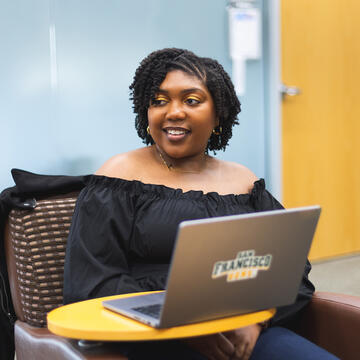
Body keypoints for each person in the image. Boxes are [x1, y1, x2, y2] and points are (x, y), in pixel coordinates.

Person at [63, 48, 338, 360]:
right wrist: (188, 331)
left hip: (243, 330)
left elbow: (287, 269)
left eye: (191, 100)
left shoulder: (243, 181)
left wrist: (258, 322)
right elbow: (94, 279)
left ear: (218, 112)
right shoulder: (119, 175)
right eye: (159, 100)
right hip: (151, 334)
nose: (174, 112)